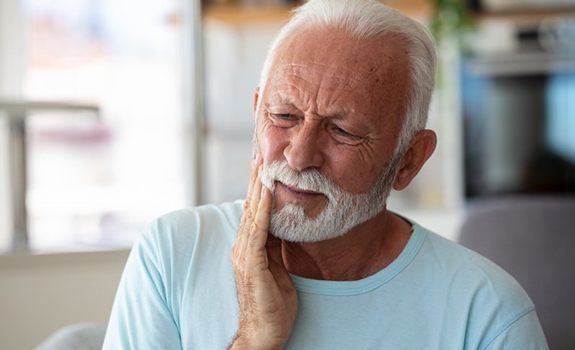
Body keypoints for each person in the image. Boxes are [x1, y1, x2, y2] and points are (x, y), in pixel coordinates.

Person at [103, 0, 549, 349]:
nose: (298, 157)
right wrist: (253, 341)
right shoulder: (173, 253)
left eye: (342, 131)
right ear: (256, 108)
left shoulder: (486, 312)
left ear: (409, 159)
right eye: (283, 115)